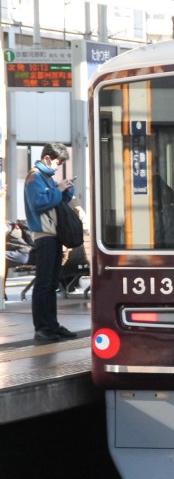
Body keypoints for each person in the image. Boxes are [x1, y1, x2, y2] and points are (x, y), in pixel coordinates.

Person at [24, 142, 77, 343]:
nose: (58, 165)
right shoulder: (34, 176)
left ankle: (52, 325)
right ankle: (42, 328)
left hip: (53, 236)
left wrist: (66, 189)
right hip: (44, 236)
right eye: (58, 162)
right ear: (47, 158)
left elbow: (57, 201)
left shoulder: (46, 178)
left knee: (52, 283)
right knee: (44, 283)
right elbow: (39, 202)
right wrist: (59, 188)